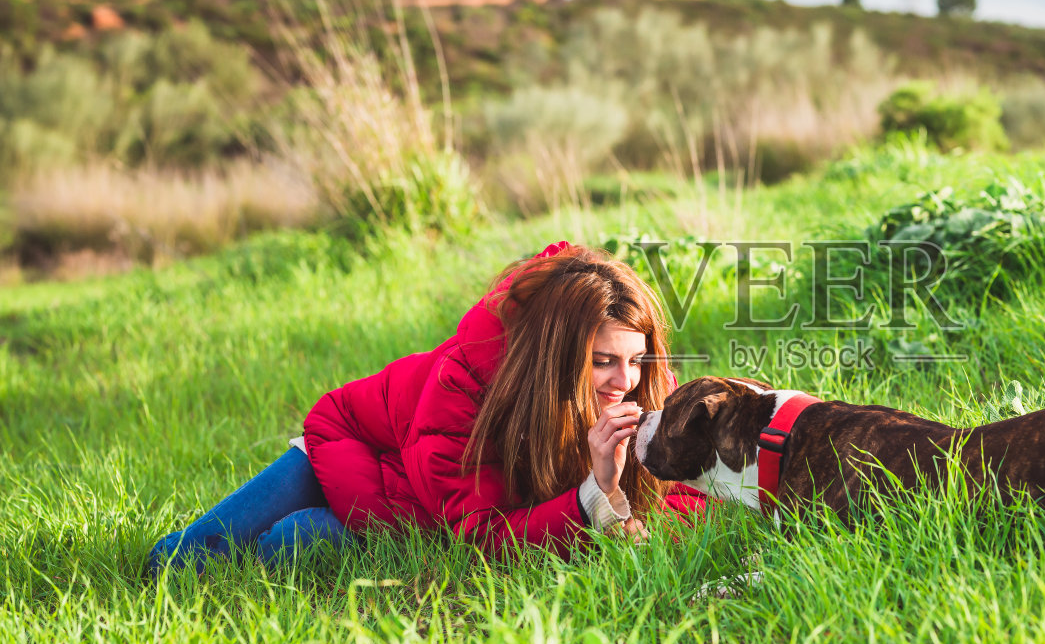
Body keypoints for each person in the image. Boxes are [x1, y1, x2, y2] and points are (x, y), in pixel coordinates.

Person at [145, 241, 706, 575]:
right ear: (557, 353)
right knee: (183, 560)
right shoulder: (468, 383)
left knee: (300, 542)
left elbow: (685, 493)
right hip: (352, 450)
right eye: (603, 361)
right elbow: (481, 535)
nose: (623, 382)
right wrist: (591, 501)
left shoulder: (641, 391)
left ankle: (297, 538)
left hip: (413, 505)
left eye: (636, 361)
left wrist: (622, 507)